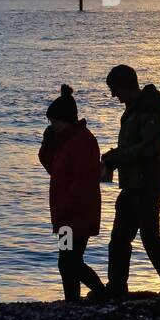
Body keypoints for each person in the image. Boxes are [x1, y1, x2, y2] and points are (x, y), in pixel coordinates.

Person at [100, 64, 160, 296]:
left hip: (146, 184)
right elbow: (138, 145)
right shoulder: (137, 108)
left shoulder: (148, 107)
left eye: (115, 89)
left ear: (126, 86)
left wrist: (118, 157)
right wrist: (117, 155)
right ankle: (117, 286)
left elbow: (150, 147)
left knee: (149, 239)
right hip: (134, 184)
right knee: (120, 238)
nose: (114, 95)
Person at [38, 84, 106, 301]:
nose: (52, 125)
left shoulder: (82, 141)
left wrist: (67, 210)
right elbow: (53, 169)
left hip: (76, 215)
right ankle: (73, 300)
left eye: (54, 121)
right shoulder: (65, 141)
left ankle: (101, 293)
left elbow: (83, 181)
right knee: (67, 261)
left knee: (70, 261)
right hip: (67, 216)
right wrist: (47, 145)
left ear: (64, 119)